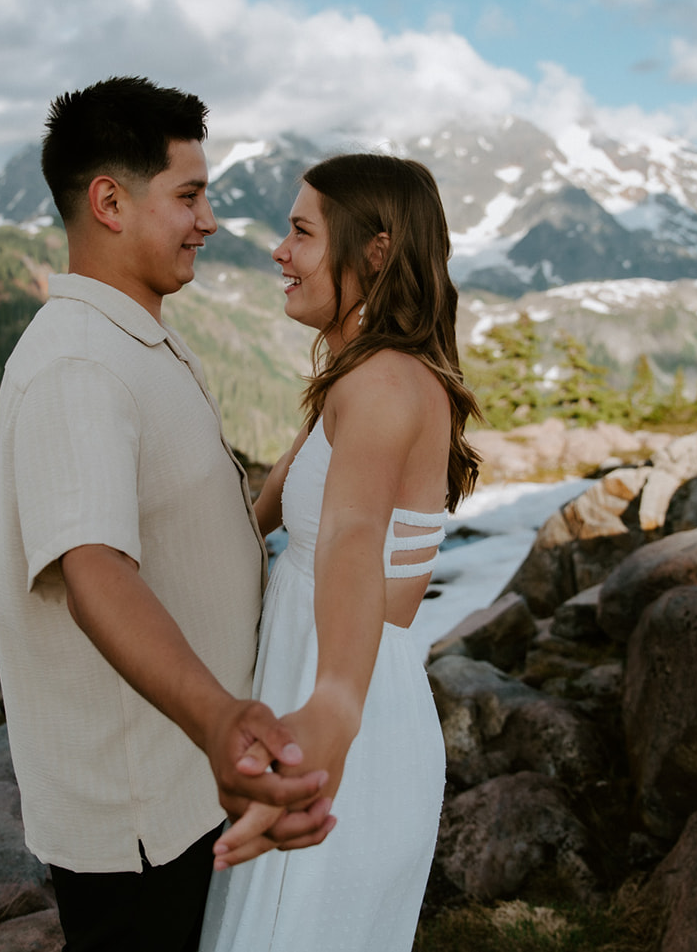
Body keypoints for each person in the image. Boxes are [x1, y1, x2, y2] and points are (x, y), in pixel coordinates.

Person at [0, 76, 332, 952]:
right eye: (189, 194)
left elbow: (188, 526)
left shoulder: (133, 335)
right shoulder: (78, 367)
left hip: (183, 789)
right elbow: (95, 567)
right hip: (139, 811)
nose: (208, 219)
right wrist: (218, 716)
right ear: (109, 201)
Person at [199, 153, 482, 952]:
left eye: (300, 232)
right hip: (319, 704)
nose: (279, 252)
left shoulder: (385, 385)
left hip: (347, 720)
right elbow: (275, 509)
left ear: (377, 252)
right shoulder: (358, 377)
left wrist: (333, 710)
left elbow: (354, 537)